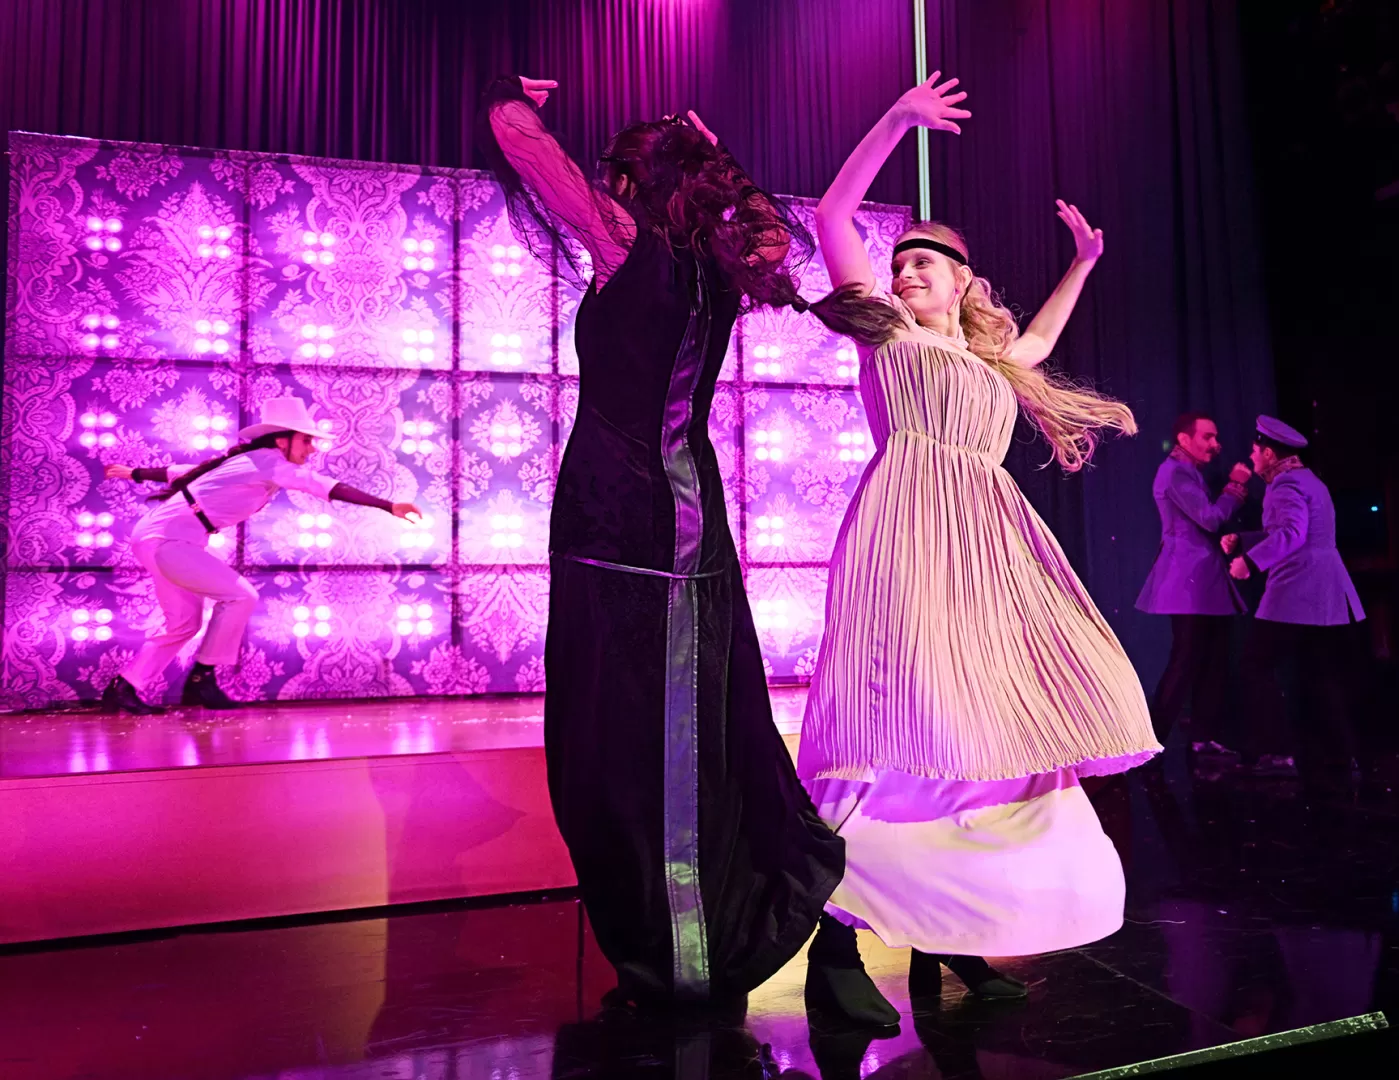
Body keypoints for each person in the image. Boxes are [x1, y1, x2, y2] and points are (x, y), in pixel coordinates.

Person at [791, 73, 1161, 1024]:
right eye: (900, 263)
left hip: (989, 542)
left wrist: (1083, 263)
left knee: (998, 730)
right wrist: (894, 120)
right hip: (910, 530)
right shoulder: (885, 336)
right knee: (910, 719)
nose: (906, 273)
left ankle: (951, 935)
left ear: (963, 285)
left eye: (925, 266)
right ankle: (836, 937)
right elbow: (834, 214)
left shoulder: (991, 361)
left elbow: (1037, 336)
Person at [475, 76, 843, 1006]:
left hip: (613, 519)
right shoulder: (727, 267)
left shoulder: (624, 243)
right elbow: (771, 231)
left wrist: (519, 98)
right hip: (688, 519)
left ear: (630, 184)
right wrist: (722, 162)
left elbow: (516, 134)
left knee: (621, 737)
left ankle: (672, 949)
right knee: (692, 728)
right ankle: (693, 939)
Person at [101, 396, 420, 712]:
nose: (311, 449)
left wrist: (134, 473)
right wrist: (388, 505)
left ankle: (124, 687)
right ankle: (202, 679)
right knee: (241, 596)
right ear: (282, 441)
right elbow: (321, 484)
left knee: (184, 623)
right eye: (306, 440)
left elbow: (186, 472)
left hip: (163, 537)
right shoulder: (270, 462)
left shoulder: (253, 462)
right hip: (167, 540)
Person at [1223, 417, 1366, 786]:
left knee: (1255, 664)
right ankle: (1342, 755)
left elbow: (1291, 533)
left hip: (1297, 590)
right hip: (1324, 593)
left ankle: (1277, 752)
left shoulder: (1285, 485)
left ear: (1269, 453)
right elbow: (1294, 532)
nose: (1252, 457)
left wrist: (1248, 563)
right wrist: (1243, 540)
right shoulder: (1307, 480)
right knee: (1320, 673)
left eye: (1256, 451)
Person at [1136, 413, 1251, 758]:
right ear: (1185, 440)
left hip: (1204, 579)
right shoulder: (1174, 472)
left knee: (1213, 661)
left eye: (1216, 438)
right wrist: (1235, 487)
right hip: (1189, 582)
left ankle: (1204, 738)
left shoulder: (1188, 472)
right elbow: (1211, 519)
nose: (1216, 445)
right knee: (1185, 660)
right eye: (1208, 437)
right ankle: (1151, 742)